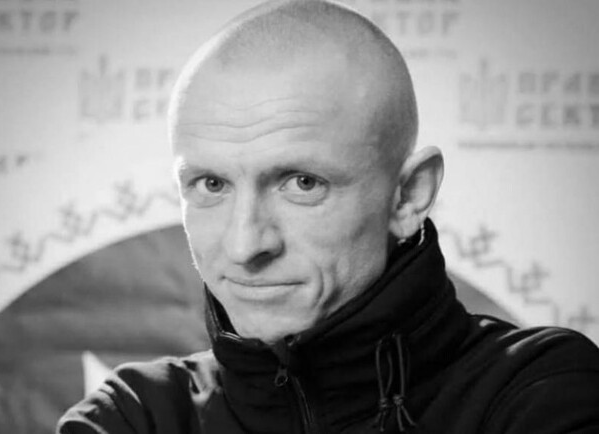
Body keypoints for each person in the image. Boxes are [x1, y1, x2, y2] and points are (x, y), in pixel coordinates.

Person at [57, 1, 599, 433]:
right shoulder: (136, 416)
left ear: (409, 196)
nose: (245, 245)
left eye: (302, 183)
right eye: (212, 185)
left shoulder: (541, 391)